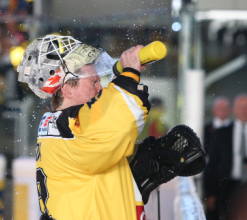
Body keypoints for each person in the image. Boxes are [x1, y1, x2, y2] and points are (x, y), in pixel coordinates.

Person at [17, 35, 150, 220]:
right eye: (93, 82)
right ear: (67, 89)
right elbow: (125, 115)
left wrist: (135, 175)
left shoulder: (64, 126)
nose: (100, 89)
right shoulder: (71, 125)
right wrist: (129, 74)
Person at [203, 93, 247, 220]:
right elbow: (212, 164)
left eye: (246, 107)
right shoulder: (222, 133)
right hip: (228, 186)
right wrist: (210, 193)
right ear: (233, 110)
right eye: (240, 107)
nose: (243, 111)